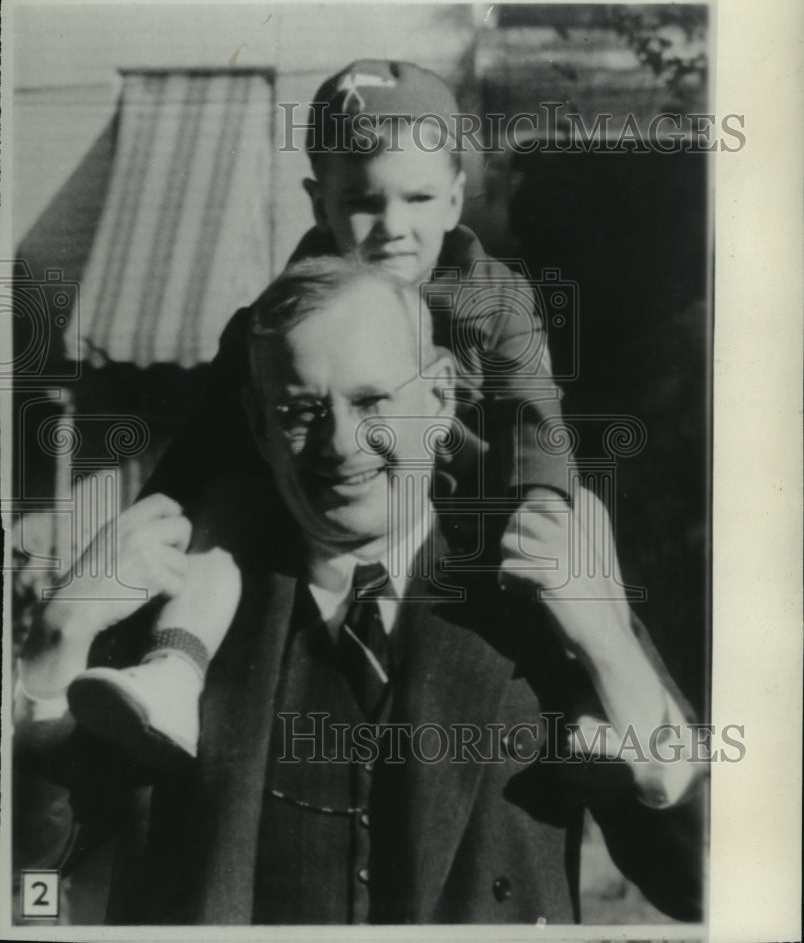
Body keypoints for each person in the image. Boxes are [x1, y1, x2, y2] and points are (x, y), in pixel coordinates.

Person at [15, 258, 703, 925]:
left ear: (439, 399)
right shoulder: (181, 618)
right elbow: (29, 885)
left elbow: (698, 887)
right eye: (300, 410)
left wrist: (611, 650)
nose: (341, 444)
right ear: (257, 424)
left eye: (372, 401)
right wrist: (59, 637)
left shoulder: (540, 602)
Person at [65, 58, 583, 762]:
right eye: (364, 201)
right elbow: (210, 441)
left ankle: (598, 699)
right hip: (317, 521)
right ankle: (174, 670)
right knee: (223, 509)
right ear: (319, 202)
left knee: (574, 533)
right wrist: (160, 517)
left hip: (466, 514)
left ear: (457, 200)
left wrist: (542, 504)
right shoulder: (277, 322)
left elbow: (533, 415)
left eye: (419, 199)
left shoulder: (496, 299)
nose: (392, 227)